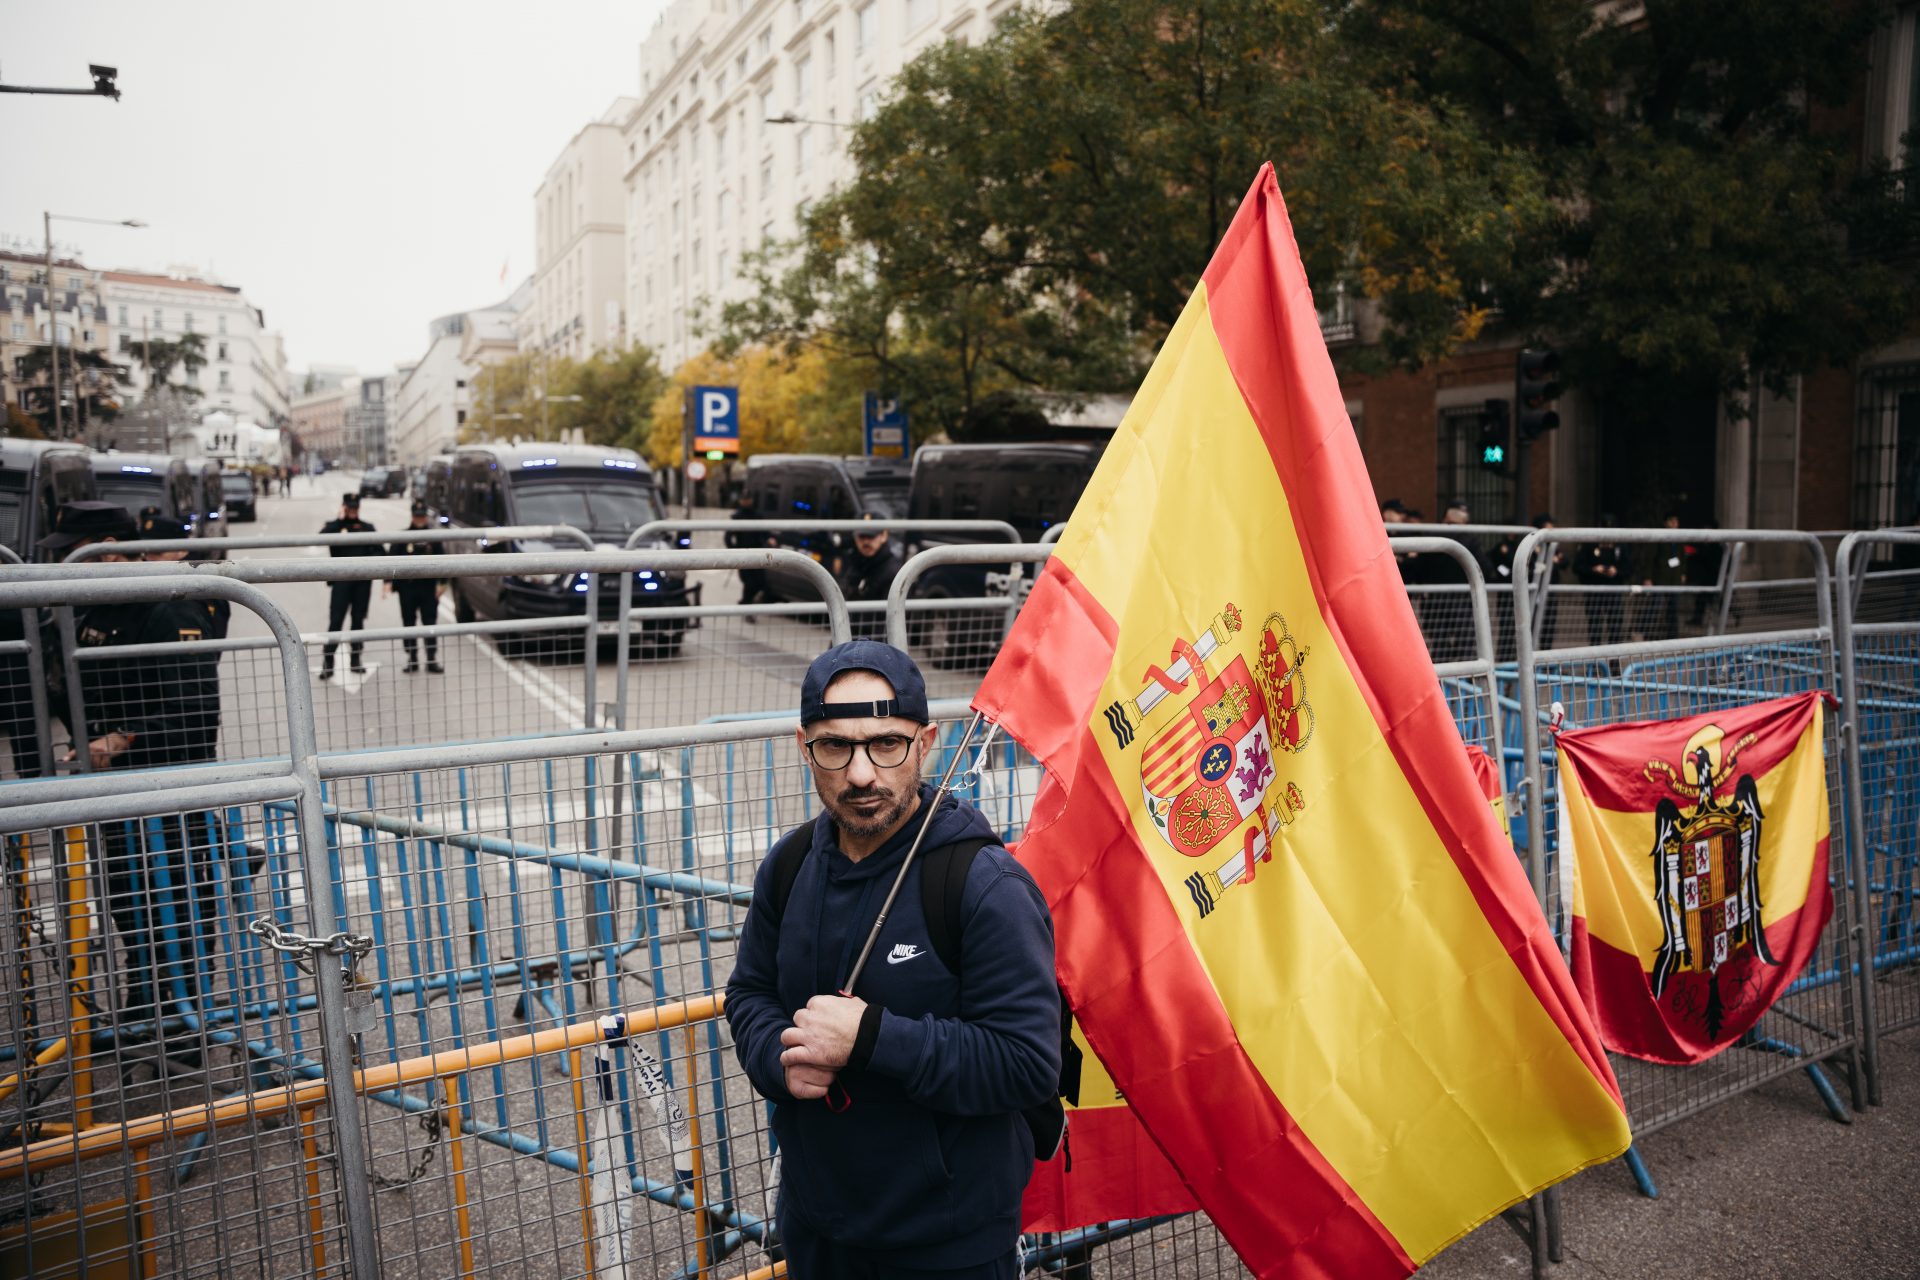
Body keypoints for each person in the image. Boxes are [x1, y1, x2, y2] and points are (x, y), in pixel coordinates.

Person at [726, 641, 1060, 1279]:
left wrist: (871, 1037)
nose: (860, 774)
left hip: (949, 1243)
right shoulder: (789, 865)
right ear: (805, 747)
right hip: (817, 1226)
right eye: (836, 746)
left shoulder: (983, 884)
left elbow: (1025, 1065)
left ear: (926, 741)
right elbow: (749, 995)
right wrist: (776, 1057)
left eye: (886, 743)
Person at [38, 501, 226, 1037]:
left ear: (106, 550)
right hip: (117, 792)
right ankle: (144, 1008)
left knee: (182, 902)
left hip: (170, 790)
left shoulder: (166, 608)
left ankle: (186, 1021)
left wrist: (120, 739)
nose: (63, 565)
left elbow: (195, 709)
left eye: (71, 553)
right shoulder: (92, 609)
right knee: (128, 901)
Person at [318, 493, 379, 680]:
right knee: (336, 621)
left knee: (358, 622)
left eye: (355, 507)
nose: (353, 510)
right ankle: (328, 661)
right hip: (341, 583)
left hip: (362, 584)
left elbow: (380, 551)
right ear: (344, 507)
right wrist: (339, 519)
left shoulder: (367, 528)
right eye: (349, 507)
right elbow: (321, 538)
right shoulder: (335, 527)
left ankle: (356, 659)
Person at [386, 501, 445, 673]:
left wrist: (443, 584)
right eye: (417, 516)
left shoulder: (433, 538)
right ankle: (412, 658)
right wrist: (388, 583)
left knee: (430, 623)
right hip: (408, 589)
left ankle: (431, 658)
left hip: (428, 588)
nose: (419, 519)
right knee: (409, 623)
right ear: (412, 516)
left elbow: (444, 561)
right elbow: (391, 560)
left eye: (422, 516)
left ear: (425, 516)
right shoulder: (403, 537)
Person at [833, 513, 905, 640]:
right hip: (848, 636)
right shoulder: (853, 561)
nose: (866, 541)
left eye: (871, 536)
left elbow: (889, 622)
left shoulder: (894, 571)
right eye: (862, 536)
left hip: (875, 643)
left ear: (884, 536)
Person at [1634, 510, 1687, 640]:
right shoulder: (1659, 537)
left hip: (1674, 579)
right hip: (1659, 578)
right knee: (1654, 606)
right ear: (1666, 522)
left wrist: (1683, 573)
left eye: (1676, 521)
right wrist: (1647, 578)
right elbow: (1650, 559)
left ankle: (1672, 635)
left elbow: (1682, 557)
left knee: (1673, 608)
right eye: (1671, 520)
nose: (1674, 523)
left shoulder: (1680, 538)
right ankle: (1641, 631)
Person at [1576, 517, 1629, 647]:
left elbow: (1629, 568)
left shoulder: (1621, 547)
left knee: (1615, 627)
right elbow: (1577, 566)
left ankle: (1614, 663)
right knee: (1595, 627)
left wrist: (1616, 571)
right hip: (1594, 592)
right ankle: (1595, 663)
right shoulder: (1589, 545)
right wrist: (1593, 569)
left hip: (1614, 592)